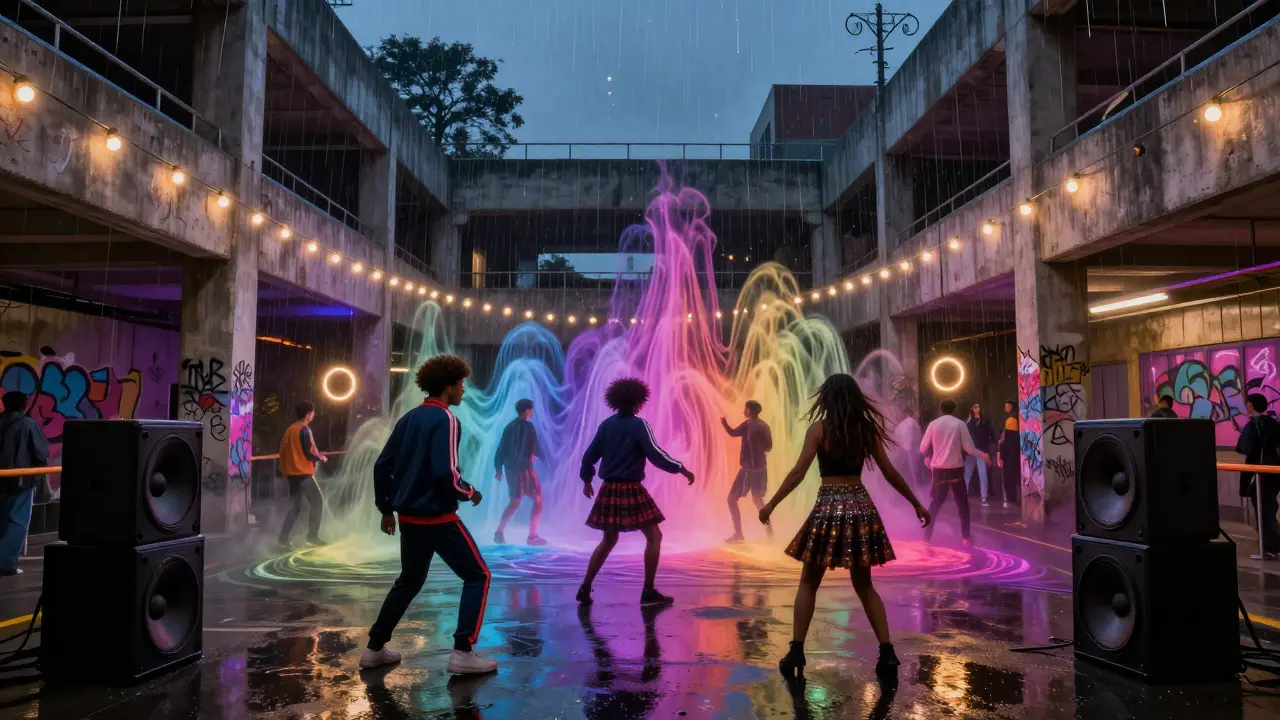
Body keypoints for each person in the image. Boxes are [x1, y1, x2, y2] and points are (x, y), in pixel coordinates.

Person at [759, 373, 930, 680]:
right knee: (864, 585)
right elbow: (890, 472)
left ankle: (797, 650)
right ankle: (887, 652)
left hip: (828, 507)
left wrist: (771, 504)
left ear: (826, 398)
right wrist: (915, 503)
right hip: (861, 506)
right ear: (854, 398)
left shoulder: (819, 430)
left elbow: (798, 472)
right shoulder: (866, 430)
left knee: (809, 582)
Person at [361, 355, 496, 675]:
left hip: (409, 519)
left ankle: (374, 649)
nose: (464, 391)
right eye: (461, 385)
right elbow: (446, 474)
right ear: (448, 387)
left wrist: (386, 509)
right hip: (438, 518)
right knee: (479, 576)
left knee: (408, 581)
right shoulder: (446, 419)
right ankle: (463, 651)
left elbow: (382, 465)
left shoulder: (409, 418)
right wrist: (470, 492)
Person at [577, 377, 695, 608]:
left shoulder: (606, 425)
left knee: (609, 539)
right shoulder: (639, 424)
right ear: (638, 401)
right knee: (654, 536)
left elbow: (588, 457)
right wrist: (680, 468)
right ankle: (648, 590)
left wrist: (587, 480)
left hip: (609, 488)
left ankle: (584, 587)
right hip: (630, 488)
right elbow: (656, 454)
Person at [919, 398, 990, 547]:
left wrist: (929, 455)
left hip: (938, 470)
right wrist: (983, 455)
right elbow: (969, 448)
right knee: (962, 504)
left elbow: (923, 448)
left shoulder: (933, 425)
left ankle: (926, 536)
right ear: (954, 409)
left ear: (941, 409)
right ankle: (965, 537)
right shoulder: (960, 424)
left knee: (935, 504)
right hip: (956, 470)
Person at [0, 392, 48, 576]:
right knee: (17, 521)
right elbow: (40, 453)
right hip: (21, 480)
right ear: (24, 405)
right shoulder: (29, 424)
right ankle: (5, 563)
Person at [493, 398, 546, 546]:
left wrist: (498, 467)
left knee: (522, 500)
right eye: (531, 410)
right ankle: (531, 536)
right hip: (522, 468)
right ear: (527, 411)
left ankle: (501, 532)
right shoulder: (528, 427)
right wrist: (547, 459)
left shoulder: (509, 427)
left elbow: (501, 448)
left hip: (514, 469)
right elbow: (535, 447)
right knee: (529, 499)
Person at [721, 400, 773, 544]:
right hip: (758, 469)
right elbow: (768, 446)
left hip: (750, 470)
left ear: (751, 410)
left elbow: (768, 446)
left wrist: (754, 448)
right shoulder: (752, 425)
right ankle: (769, 534)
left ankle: (739, 534)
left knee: (732, 499)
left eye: (745, 408)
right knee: (757, 500)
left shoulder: (755, 425)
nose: (744, 410)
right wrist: (723, 422)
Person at [278, 401, 328, 548]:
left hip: (292, 474)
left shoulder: (290, 430)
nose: (314, 414)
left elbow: (287, 451)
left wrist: (285, 471)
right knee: (317, 502)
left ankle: (283, 538)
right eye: (312, 412)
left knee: (295, 507)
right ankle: (312, 536)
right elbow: (307, 453)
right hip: (303, 473)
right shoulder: (304, 430)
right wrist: (320, 458)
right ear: (307, 414)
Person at [1236, 393, 1280, 560]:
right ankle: (1271, 544)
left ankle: (1269, 547)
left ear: (1251, 406)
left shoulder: (1254, 425)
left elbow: (1244, 448)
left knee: (1263, 511)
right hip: (1273, 473)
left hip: (1258, 473)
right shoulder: (1273, 423)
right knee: (1270, 508)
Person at [964, 404, 995, 506]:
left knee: (983, 474)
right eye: (975, 407)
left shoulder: (985, 421)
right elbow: (966, 435)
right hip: (971, 451)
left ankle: (984, 497)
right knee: (967, 474)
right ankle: (963, 496)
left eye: (978, 407)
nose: (977, 408)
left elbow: (989, 435)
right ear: (972, 410)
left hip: (981, 450)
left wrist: (988, 450)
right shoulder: (970, 422)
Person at [996, 400, 1021, 510]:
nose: (1005, 407)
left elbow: (1006, 438)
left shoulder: (1011, 419)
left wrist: (1001, 455)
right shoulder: (1014, 418)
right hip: (1014, 453)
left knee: (1008, 478)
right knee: (1013, 477)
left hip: (1009, 454)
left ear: (1011, 406)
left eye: (1007, 405)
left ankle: (1011, 500)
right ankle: (1013, 499)